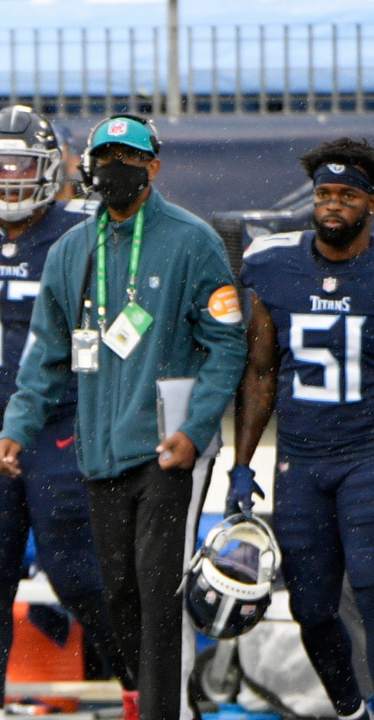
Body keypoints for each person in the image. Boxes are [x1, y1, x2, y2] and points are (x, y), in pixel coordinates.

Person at [0, 115, 247, 720]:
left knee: (160, 596)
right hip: (100, 452)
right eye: (102, 156)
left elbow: (227, 344)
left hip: (169, 446)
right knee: (122, 595)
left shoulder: (192, 240)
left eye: (127, 159)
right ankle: (169, 701)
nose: (112, 168)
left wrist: (196, 429)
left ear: (153, 167)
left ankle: (163, 711)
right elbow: (46, 353)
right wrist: (16, 427)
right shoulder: (71, 251)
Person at [0, 105, 136, 720]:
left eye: (24, 166)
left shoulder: (88, 228)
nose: (12, 178)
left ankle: (140, 689)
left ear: (53, 170)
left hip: (63, 426)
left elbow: (125, 324)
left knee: (80, 579)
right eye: (0, 166)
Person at [232, 138, 374, 720]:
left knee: (370, 591)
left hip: (367, 452)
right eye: (323, 194)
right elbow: (262, 373)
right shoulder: (275, 265)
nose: (332, 206)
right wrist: (243, 464)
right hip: (300, 460)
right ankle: (349, 710)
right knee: (312, 608)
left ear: (370, 202)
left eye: (346, 195)